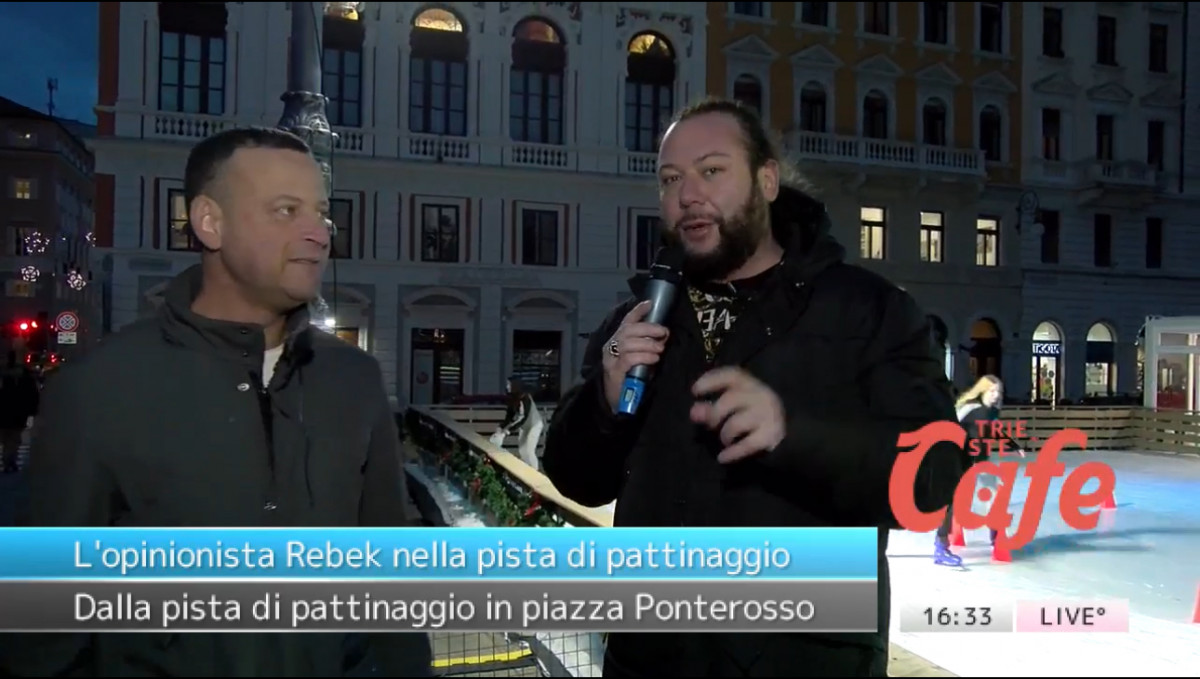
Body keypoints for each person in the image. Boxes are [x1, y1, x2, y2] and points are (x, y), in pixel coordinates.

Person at [540, 97, 965, 677]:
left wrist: (795, 436)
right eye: (670, 179)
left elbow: (934, 480)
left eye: (711, 170)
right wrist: (605, 400)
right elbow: (576, 480)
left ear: (767, 181)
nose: (687, 195)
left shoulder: (870, 311)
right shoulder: (635, 321)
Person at [0, 127, 433, 677]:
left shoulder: (355, 378)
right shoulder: (97, 387)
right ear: (209, 222)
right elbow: (43, 635)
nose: (319, 233)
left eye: (322, 213)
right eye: (286, 210)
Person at [934, 375, 1025, 566]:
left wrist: (1013, 445)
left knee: (994, 499)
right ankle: (941, 546)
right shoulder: (973, 410)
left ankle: (997, 540)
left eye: (998, 391)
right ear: (982, 391)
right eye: (992, 391)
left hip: (980, 462)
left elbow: (994, 431)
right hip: (959, 460)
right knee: (952, 503)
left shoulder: (991, 411)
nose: (995, 395)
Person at [489, 376, 544, 470]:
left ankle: (535, 472)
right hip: (524, 426)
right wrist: (501, 427)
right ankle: (527, 471)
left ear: (515, 386)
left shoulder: (525, 398)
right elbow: (509, 417)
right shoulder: (512, 399)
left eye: (508, 384)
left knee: (529, 450)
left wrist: (507, 431)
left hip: (534, 425)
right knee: (522, 450)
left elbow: (523, 418)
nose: (507, 386)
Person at [0, 350, 39, 473]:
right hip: (19, 411)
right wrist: (32, 409)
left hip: (4, 410)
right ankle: (10, 458)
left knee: (6, 436)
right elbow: (32, 393)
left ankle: (7, 458)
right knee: (14, 436)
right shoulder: (24, 374)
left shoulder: (3, 373)